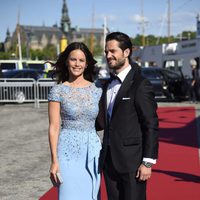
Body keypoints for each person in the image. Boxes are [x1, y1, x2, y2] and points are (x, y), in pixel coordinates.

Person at [98, 32, 159, 200]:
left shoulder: (140, 84)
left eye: (113, 51)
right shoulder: (106, 85)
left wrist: (147, 162)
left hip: (133, 163)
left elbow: (151, 124)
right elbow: (103, 122)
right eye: (106, 52)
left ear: (126, 52)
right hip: (109, 162)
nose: (108, 55)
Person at [48, 42, 102, 200]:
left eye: (81, 60)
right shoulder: (58, 91)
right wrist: (54, 160)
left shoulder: (97, 91)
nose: (77, 64)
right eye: (73, 59)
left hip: (92, 150)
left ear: (86, 64)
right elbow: (54, 127)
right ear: (66, 61)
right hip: (67, 152)